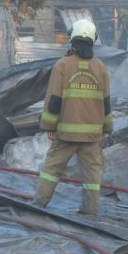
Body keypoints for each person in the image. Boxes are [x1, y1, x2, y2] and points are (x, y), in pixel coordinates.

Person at [34, 19, 112, 216]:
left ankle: (38, 205)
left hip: (66, 135)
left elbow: (54, 99)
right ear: (93, 40)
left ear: (72, 40)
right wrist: (106, 129)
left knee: (51, 170)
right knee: (93, 176)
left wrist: (49, 126)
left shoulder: (62, 65)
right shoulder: (100, 67)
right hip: (92, 137)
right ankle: (90, 211)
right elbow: (107, 102)